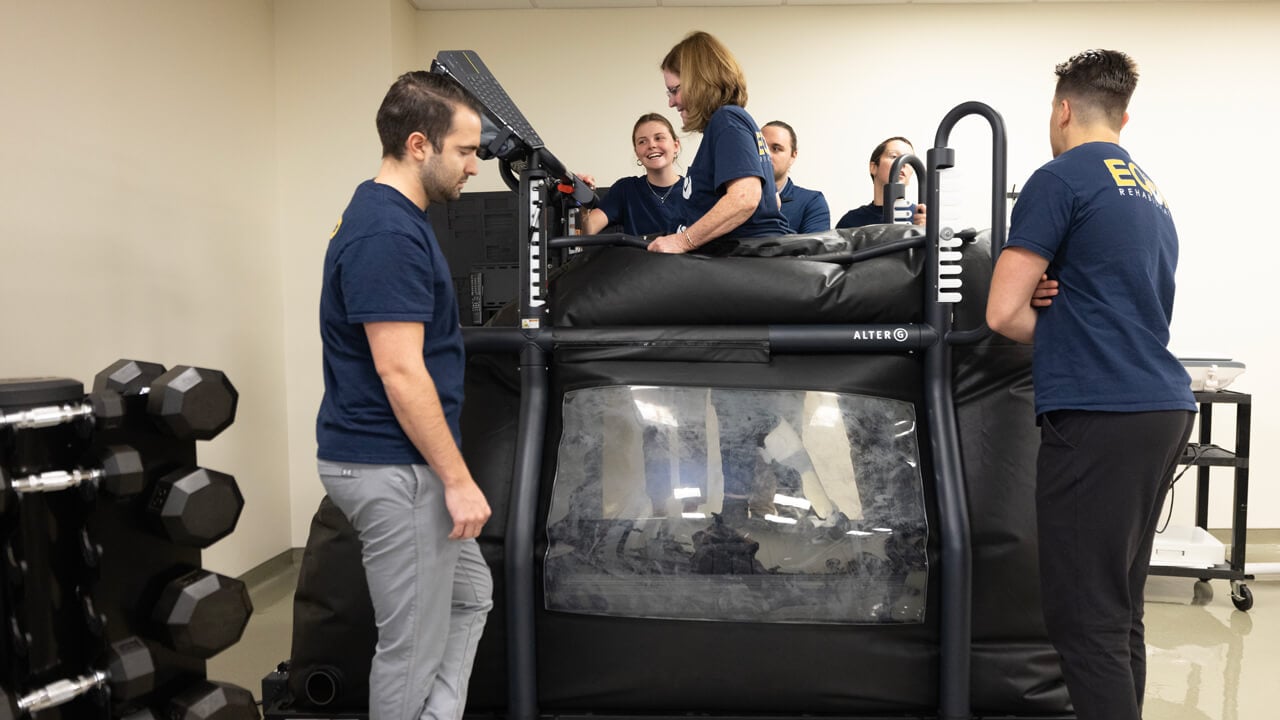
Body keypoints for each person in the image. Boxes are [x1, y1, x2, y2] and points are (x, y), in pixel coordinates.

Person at [985, 50, 1196, 720]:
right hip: (1161, 405)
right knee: (1118, 610)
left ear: (1063, 109)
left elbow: (1000, 313)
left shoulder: (1060, 176)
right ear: (1123, 115)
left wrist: (1046, 310)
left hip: (1100, 409)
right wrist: (1067, 302)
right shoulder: (1148, 189)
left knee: (1084, 620)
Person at [316, 71, 494, 720]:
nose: (475, 167)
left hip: (399, 463)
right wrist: (456, 479)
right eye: (466, 151)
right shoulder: (386, 234)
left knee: (471, 595)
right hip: (393, 468)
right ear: (419, 145)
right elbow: (400, 371)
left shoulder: (392, 218)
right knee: (410, 649)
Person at [651, 30, 790, 254]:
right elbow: (769, 199)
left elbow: (745, 198)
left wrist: (681, 241)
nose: (672, 102)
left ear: (700, 81)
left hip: (742, 263)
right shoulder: (729, 123)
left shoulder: (727, 120)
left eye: (675, 90)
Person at [581, 113, 686, 236]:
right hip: (639, 255)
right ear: (637, 152)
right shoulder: (625, 189)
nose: (651, 145)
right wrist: (583, 202)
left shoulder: (695, 190)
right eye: (642, 142)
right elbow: (586, 231)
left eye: (659, 138)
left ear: (675, 145)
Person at [835, 136, 926, 229]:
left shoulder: (922, 218)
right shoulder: (851, 221)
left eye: (909, 160)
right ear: (873, 167)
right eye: (894, 156)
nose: (903, 164)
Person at [762, 120, 830, 233]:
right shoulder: (737, 198)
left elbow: (813, 249)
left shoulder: (812, 202)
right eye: (761, 148)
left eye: (776, 148)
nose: (766, 154)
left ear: (793, 156)